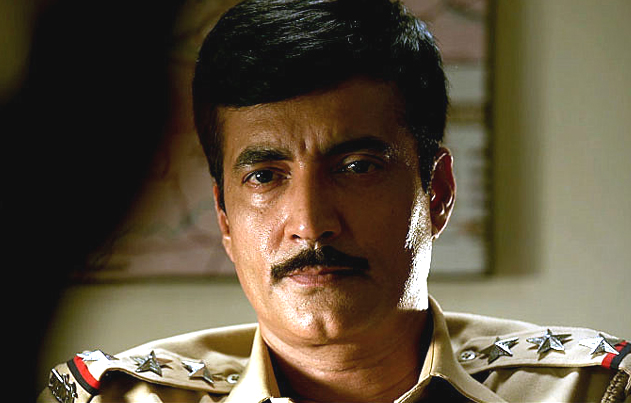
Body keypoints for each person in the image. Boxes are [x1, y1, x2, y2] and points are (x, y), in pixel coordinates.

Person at [38, 0, 630, 402]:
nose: (310, 223)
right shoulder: (112, 399)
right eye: (265, 176)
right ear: (224, 217)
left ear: (439, 192)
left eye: (357, 167)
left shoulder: (594, 392)